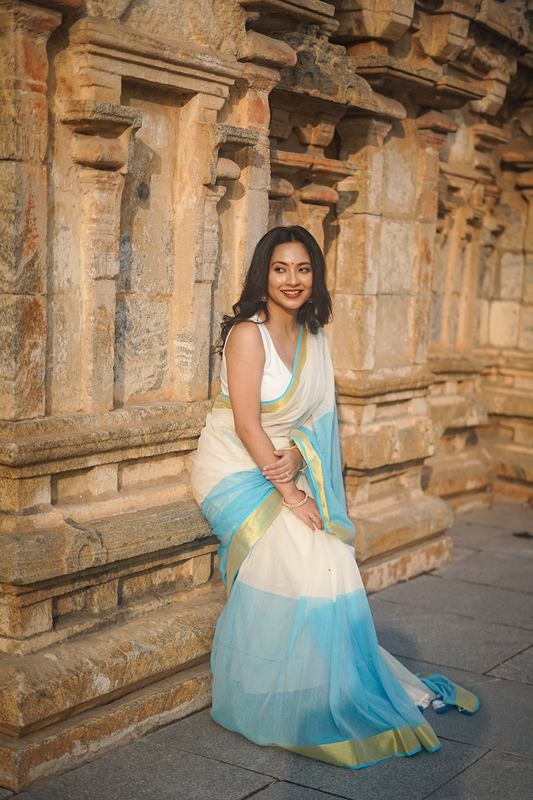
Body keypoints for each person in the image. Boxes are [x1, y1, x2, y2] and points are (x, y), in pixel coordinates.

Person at [190, 226, 478, 769]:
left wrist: (298, 459)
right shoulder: (246, 335)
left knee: (332, 557)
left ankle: (328, 686)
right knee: (304, 552)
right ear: (264, 274)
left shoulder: (314, 335)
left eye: (302, 269)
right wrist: (293, 495)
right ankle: (270, 693)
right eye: (280, 269)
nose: (292, 280)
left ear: (315, 276)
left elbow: (314, 423)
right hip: (234, 466)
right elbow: (249, 425)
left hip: (282, 464)